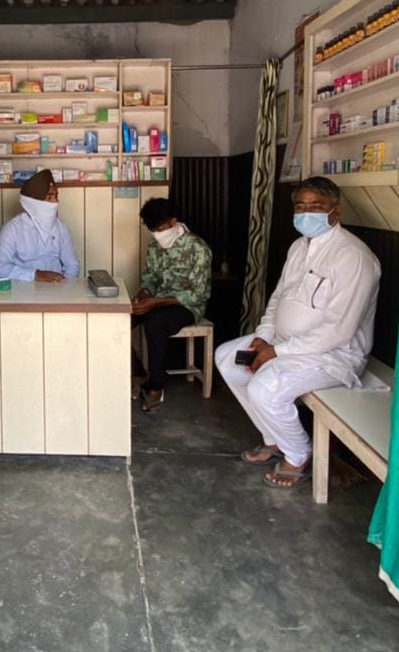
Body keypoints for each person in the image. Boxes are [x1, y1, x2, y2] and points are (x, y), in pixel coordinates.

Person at [215, 177, 380, 488]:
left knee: (265, 387)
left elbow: (339, 329)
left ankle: (298, 454)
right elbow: (279, 297)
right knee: (227, 357)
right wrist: (263, 337)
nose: (307, 213)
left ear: (335, 211)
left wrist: (274, 352)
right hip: (284, 341)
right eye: (300, 207)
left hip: (332, 354)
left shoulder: (353, 257)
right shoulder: (298, 247)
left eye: (316, 206)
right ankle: (274, 438)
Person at [132, 197, 212, 413]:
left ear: (174, 222)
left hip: (186, 307)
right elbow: (150, 278)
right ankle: (138, 373)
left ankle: (156, 385)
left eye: (160, 228)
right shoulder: (154, 247)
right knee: (119, 318)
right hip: (157, 302)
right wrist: (143, 294)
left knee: (155, 322)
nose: (157, 233)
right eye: (152, 229)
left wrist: (155, 302)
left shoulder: (198, 248)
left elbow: (196, 293)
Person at [0, 169, 80, 283]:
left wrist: (64, 283)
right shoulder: (13, 229)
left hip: (57, 289)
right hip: (23, 289)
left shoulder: (61, 228)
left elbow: (72, 265)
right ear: (34, 202)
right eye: (49, 197)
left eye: (56, 196)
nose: (55, 202)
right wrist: (35, 275)